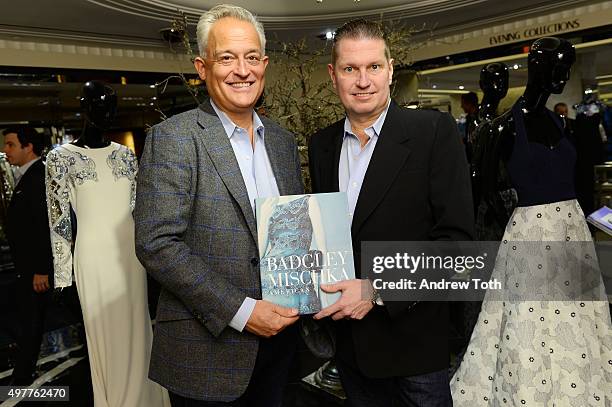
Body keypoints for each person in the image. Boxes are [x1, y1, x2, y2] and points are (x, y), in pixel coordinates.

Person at [134, 4, 303, 406]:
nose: (241, 70)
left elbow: (294, 229)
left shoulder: (281, 142)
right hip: (207, 352)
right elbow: (156, 244)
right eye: (226, 58)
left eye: (250, 58)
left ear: (264, 64)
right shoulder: (174, 138)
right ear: (202, 67)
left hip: (282, 344)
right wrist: (243, 312)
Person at [308, 19, 474, 406]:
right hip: (349, 349)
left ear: (390, 69)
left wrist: (375, 288)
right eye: (350, 69)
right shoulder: (322, 145)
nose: (363, 81)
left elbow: (458, 246)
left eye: (373, 67)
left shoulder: (433, 132)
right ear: (334, 75)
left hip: (414, 347)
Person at [451, 37, 612, 406]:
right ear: (537, 68)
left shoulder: (559, 123)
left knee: (578, 319)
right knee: (530, 323)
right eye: (557, 67)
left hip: (572, 233)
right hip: (531, 233)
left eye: (567, 68)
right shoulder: (502, 129)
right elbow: (485, 195)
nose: (563, 75)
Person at [45, 81, 169, 406]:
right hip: (93, 257)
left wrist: (153, 255)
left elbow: (139, 210)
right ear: (83, 108)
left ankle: (147, 397)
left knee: (139, 328)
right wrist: (63, 275)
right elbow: (58, 221)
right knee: (104, 335)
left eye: (110, 106)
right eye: (97, 104)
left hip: (130, 256)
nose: (105, 112)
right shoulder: (60, 159)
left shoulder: (126, 156)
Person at [3, 126, 52, 385]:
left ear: (28, 146)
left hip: (37, 270)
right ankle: (22, 375)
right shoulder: (27, 175)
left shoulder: (38, 176)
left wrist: (42, 269)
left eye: (11, 145)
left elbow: (45, 225)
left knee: (31, 323)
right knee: (28, 321)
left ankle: (21, 379)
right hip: (28, 268)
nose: (5, 150)